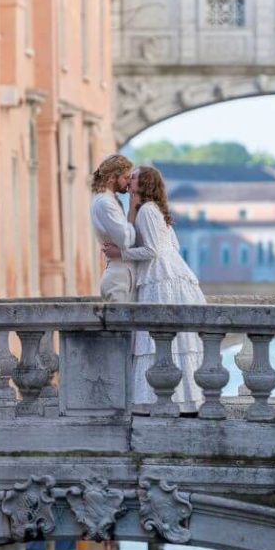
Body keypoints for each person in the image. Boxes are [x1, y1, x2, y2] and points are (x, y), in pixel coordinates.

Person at [102, 165, 205, 415]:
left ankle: (158, 402)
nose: (129, 179)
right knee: (173, 343)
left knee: (156, 340)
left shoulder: (148, 210)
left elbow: (152, 251)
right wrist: (131, 208)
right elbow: (170, 245)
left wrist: (121, 254)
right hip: (170, 274)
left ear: (145, 183)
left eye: (135, 177)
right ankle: (184, 402)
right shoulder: (150, 209)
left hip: (159, 278)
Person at [89, 154, 138, 303]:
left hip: (123, 273)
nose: (129, 182)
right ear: (112, 178)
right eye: (126, 177)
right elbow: (125, 241)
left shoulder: (110, 200)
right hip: (118, 278)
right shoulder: (105, 202)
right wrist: (133, 210)